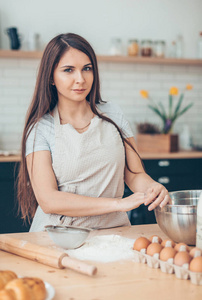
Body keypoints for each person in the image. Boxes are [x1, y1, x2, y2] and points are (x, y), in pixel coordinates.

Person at [17, 33, 170, 232]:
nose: (80, 79)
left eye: (87, 69)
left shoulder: (113, 114)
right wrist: (117, 204)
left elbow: (134, 174)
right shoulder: (40, 129)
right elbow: (49, 200)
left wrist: (152, 188)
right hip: (57, 236)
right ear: (51, 77)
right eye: (68, 70)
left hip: (114, 232)